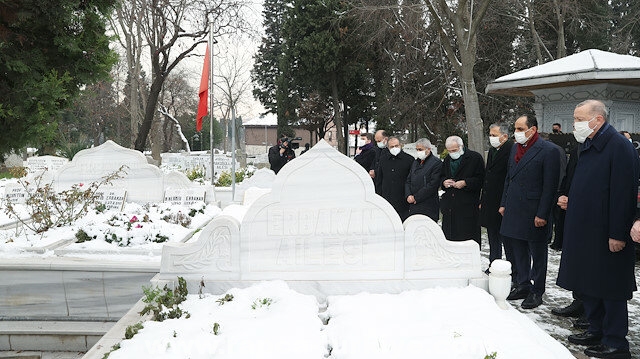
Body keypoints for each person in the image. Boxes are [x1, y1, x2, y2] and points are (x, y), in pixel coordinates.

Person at [557, 100, 639, 359]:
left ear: (598, 119)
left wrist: (617, 233)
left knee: (610, 287)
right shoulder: (588, 145)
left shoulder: (619, 147)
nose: (575, 124)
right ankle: (596, 328)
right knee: (588, 282)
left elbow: (623, 195)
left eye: (579, 119)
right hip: (584, 228)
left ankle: (615, 341)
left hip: (606, 231)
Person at [499, 113, 560, 310]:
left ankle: (537, 290)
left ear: (532, 130)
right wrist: (504, 203)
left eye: (519, 129)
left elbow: (550, 187)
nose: (515, 133)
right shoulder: (516, 148)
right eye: (515, 129)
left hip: (534, 211)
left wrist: (542, 214)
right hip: (514, 208)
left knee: (537, 253)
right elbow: (509, 177)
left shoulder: (548, 150)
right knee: (518, 249)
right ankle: (523, 284)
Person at [479, 123, 513, 270]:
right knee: (493, 236)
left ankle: (512, 268)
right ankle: (493, 264)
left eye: (494, 135)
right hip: (490, 200)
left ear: (504, 136)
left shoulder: (511, 149)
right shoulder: (493, 151)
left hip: (503, 200)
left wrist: (505, 203)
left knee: (507, 238)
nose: (491, 138)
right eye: (490, 135)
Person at [440, 136, 485, 245]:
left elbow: (481, 179)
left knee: (467, 238)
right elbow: (442, 176)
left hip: (467, 205)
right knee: (450, 239)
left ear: (461, 147)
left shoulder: (475, 158)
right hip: (450, 205)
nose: (452, 153)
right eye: (449, 151)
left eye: (454, 150)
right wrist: (444, 182)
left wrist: (465, 182)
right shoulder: (447, 160)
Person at [376, 137, 414, 221]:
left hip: (403, 200)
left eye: (396, 146)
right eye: (392, 147)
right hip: (387, 198)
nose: (394, 148)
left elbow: (411, 179)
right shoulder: (383, 159)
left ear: (400, 145)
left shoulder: (409, 159)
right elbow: (379, 179)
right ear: (388, 148)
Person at [405, 138, 442, 222]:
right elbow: (408, 180)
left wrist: (416, 197)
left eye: (420, 149)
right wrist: (408, 195)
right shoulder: (415, 162)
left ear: (428, 149)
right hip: (413, 205)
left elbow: (433, 184)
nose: (418, 151)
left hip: (428, 205)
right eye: (417, 149)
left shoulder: (436, 163)